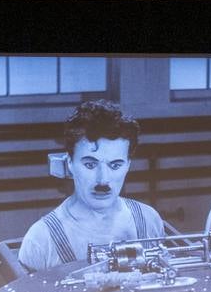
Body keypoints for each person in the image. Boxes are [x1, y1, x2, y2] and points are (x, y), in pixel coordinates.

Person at [18, 100, 164, 272]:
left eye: (115, 165)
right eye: (90, 165)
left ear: (128, 165)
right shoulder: (41, 238)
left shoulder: (148, 220)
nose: (103, 180)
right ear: (70, 163)